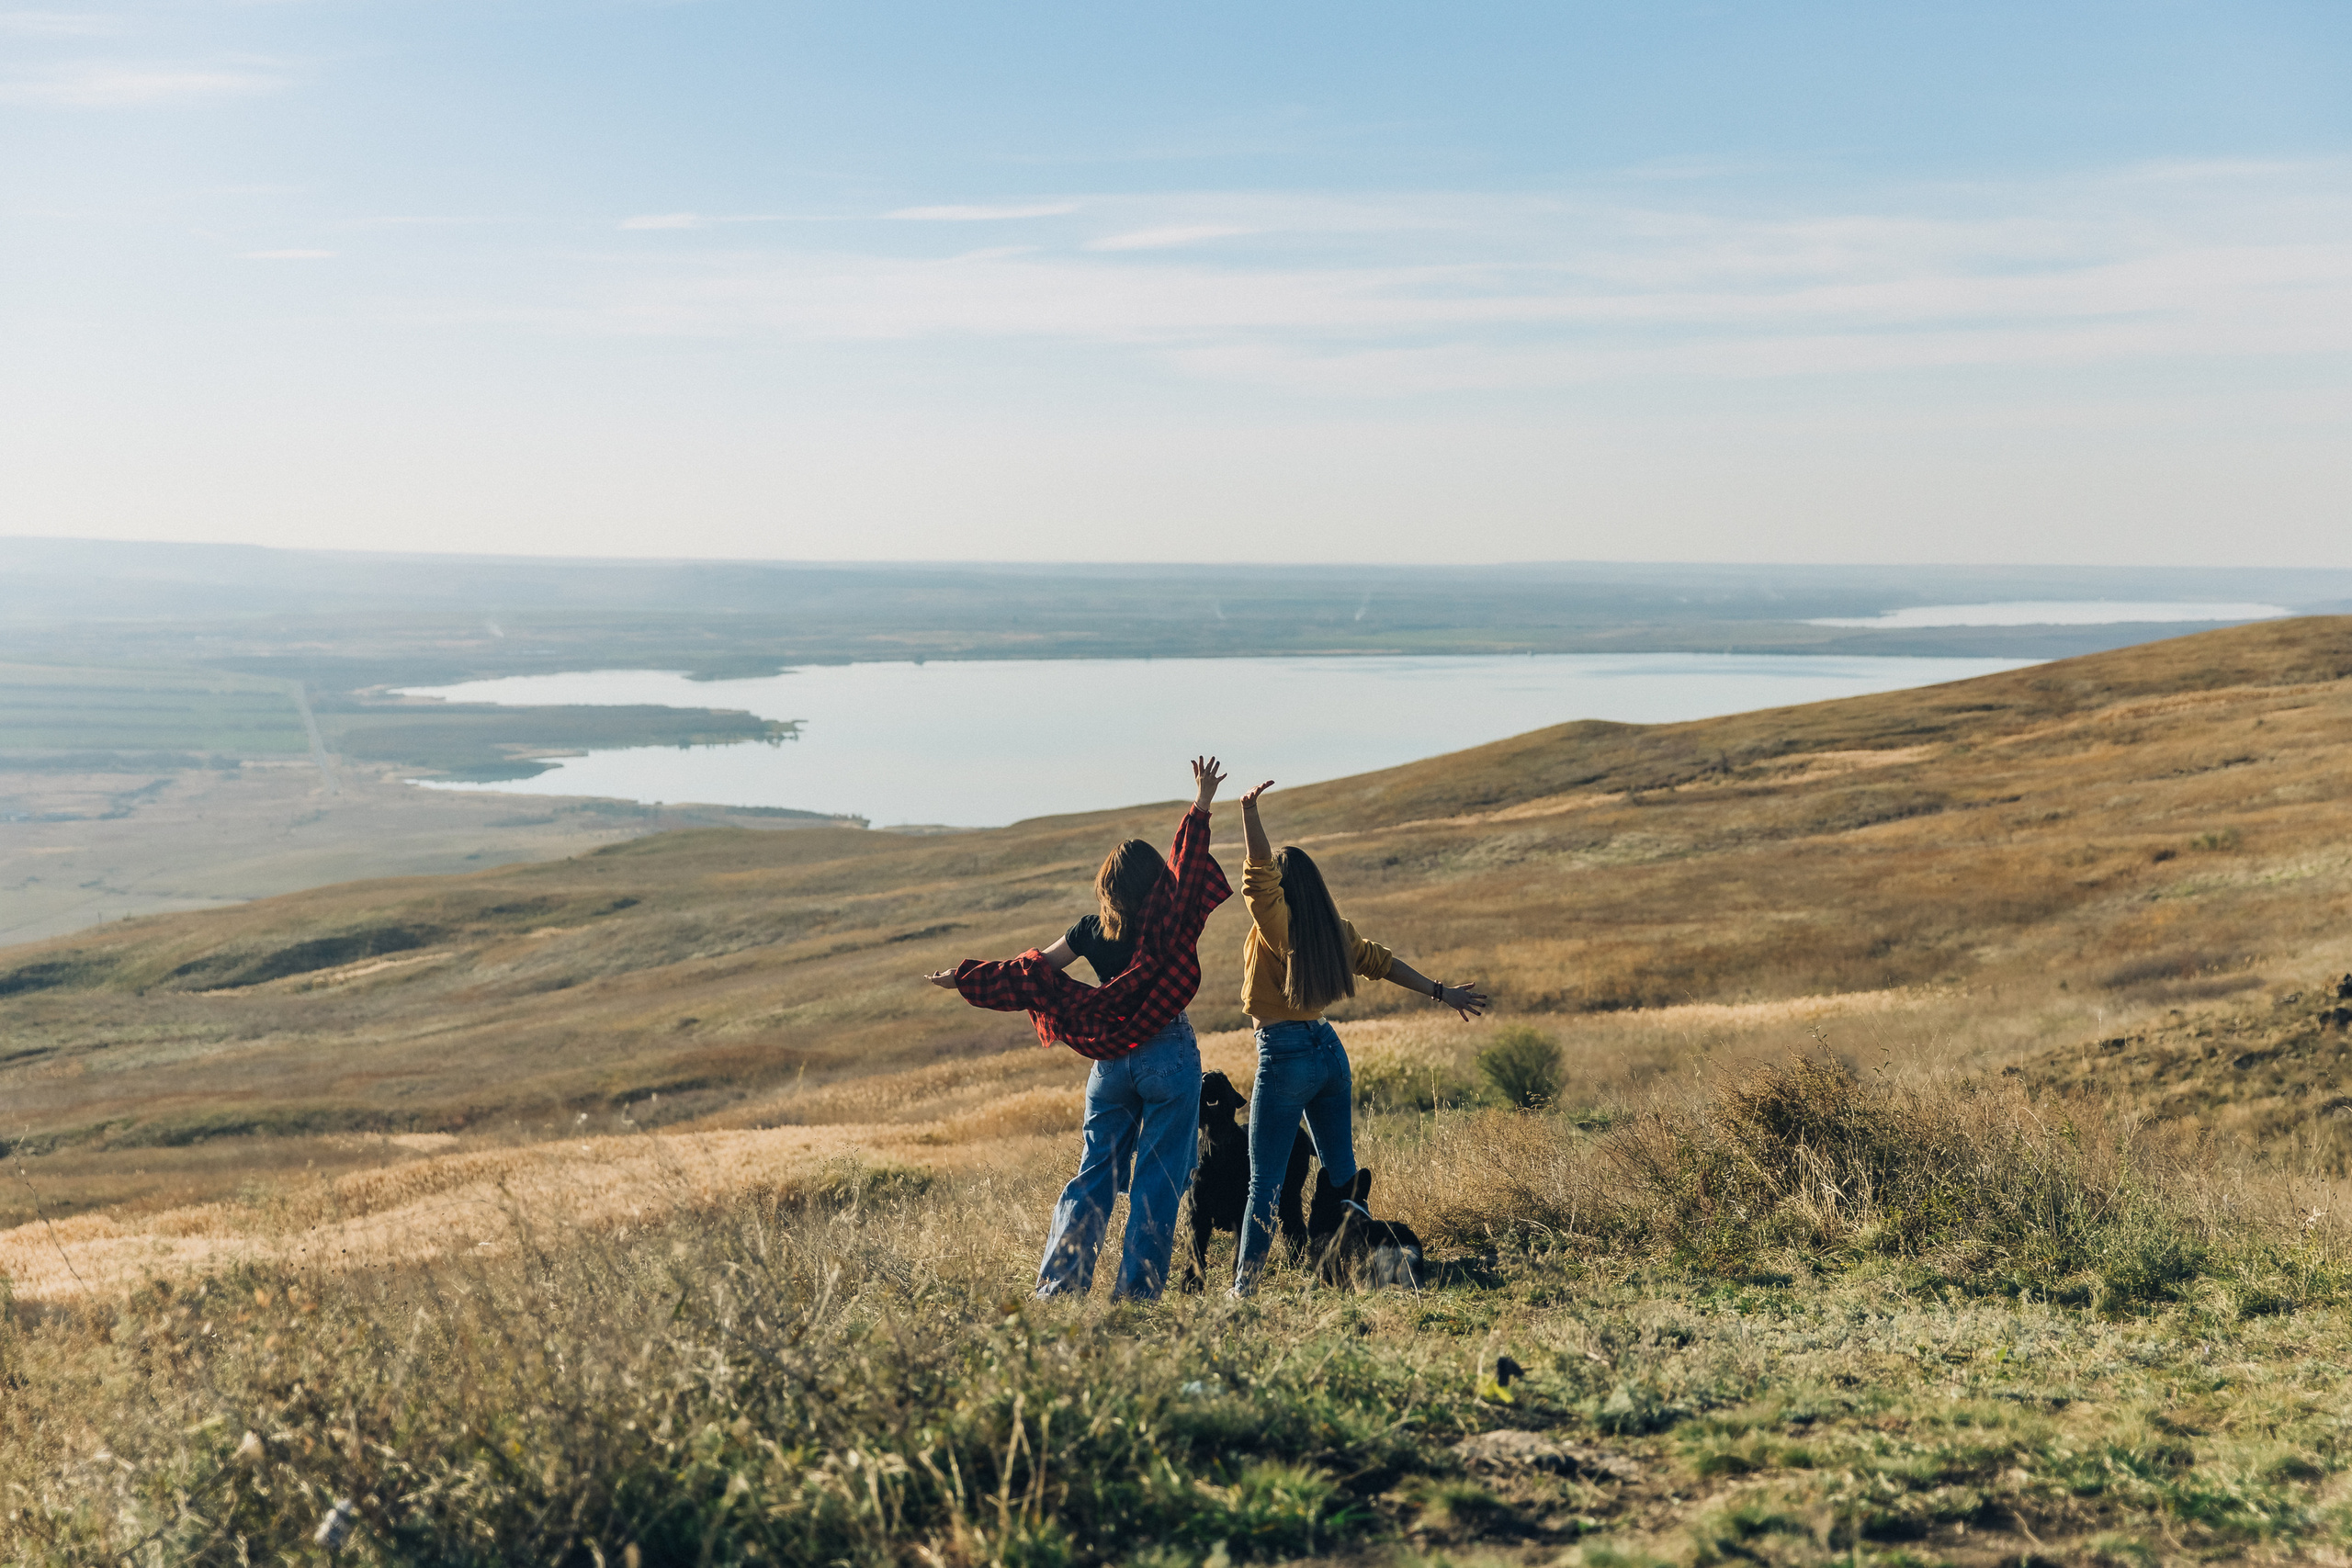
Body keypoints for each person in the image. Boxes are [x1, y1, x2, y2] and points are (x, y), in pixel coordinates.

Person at [926, 757, 1231, 1302]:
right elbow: (1188, 866)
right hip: (1169, 1054)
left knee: (1092, 1178)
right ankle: (1136, 1297)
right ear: (1155, 883)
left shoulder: (1090, 931)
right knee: (1157, 1183)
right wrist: (1201, 802)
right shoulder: (1169, 920)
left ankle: (1057, 1291)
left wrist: (966, 979)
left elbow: (1032, 972)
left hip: (1112, 1061)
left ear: (1109, 889)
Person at [1229, 778, 1487, 1296]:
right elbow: (1382, 963)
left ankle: (1244, 1288)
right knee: (1343, 1181)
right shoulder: (1333, 931)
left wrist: (1250, 815)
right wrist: (1441, 992)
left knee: (1265, 1183)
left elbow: (1257, 878)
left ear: (1283, 887)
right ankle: (1366, 1271)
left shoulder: (1277, 926)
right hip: (1329, 1053)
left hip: (1284, 1057)